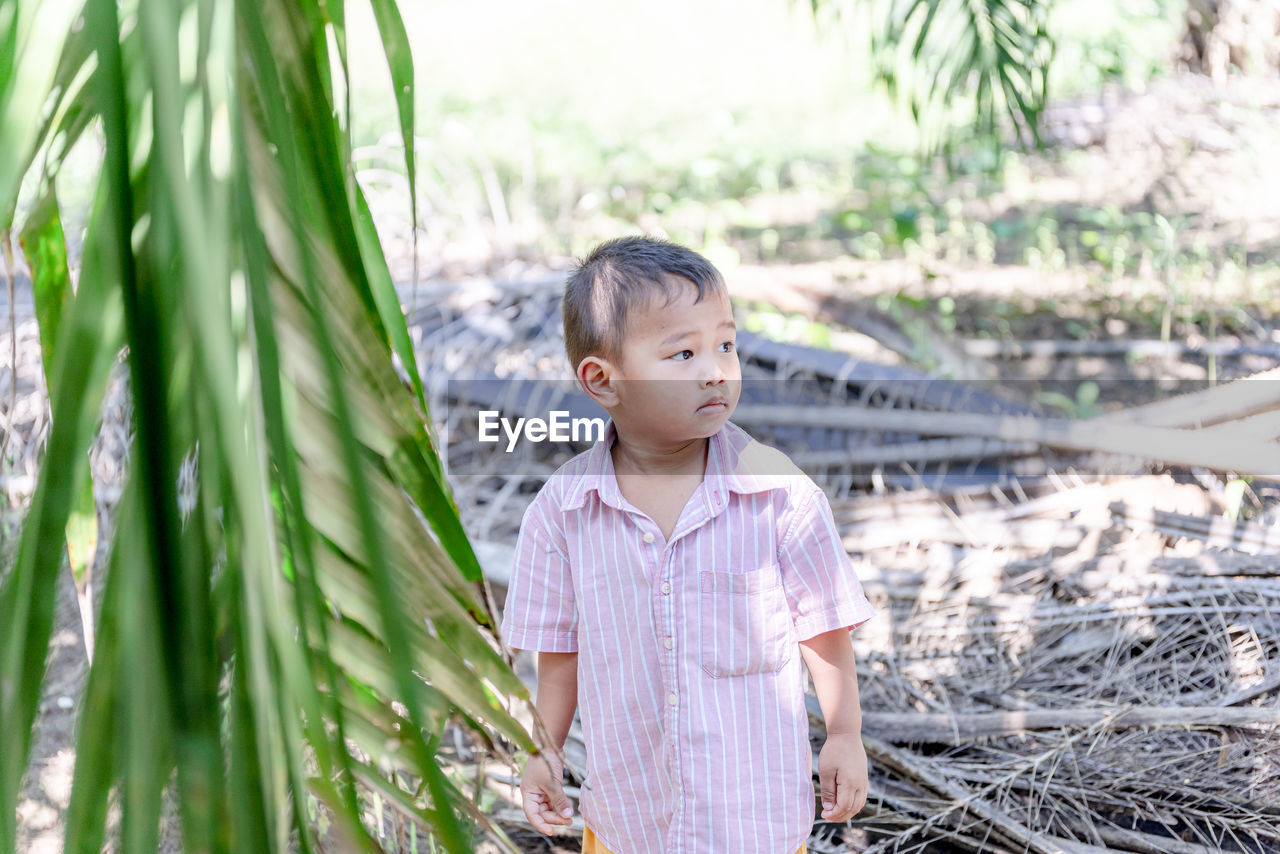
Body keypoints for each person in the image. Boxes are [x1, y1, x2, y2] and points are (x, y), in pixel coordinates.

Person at [500, 236, 875, 853]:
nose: (717, 370)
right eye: (683, 353)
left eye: (726, 344)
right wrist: (544, 750)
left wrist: (844, 734)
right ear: (602, 380)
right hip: (629, 820)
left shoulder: (777, 494)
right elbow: (558, 654)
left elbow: (824, 627)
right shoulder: (563, 513)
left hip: (752, 817)